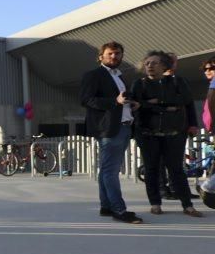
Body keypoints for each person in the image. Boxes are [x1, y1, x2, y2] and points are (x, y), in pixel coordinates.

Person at [130, 51, 202, 217]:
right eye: (147, 63)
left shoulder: (178, 82)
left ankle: (187, 205)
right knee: (152, 169)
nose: (150, 66)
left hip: (175, 133)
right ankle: (155, 203)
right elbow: (134, 106)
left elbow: (186, 101)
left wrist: (152, 102)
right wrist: (164, 106)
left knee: (176, 169)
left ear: (164, 66)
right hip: (148, 133)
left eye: (154, 63)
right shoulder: (139, 84)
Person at [80, 42, 143, 224]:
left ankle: (106, 206)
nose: (114, 57)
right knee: (111, 171)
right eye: (110, 54)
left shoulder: (120, 76)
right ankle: (119, 209)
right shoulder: (93, 75)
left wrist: (132, 104)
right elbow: (86, 100)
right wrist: (114, 101)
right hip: (108, 128)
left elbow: (120, 101)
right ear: (101, 56)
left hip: (123, 125)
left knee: (107, 170)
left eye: (117, 54)